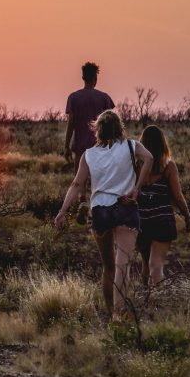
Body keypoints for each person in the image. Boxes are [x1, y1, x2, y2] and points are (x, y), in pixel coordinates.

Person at [55, 110, 153, 321]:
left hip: (100, 211)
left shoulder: (88, 155)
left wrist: (62, 212)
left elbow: (76, 184)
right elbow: (149, 159)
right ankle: (118, 313)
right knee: (122, 265)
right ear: (120, 128)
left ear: (97, 130)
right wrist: (136, 188)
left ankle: (111, 313)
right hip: (126, 207)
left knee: (108, 267)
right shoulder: (130, 146)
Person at [135, 125, 190, 286]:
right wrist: (188, 218)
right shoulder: (168, 166)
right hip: (162, 222)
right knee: (156, 265)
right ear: (163, 143)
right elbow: (178, 196)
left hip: (141, 222)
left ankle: (144, 302)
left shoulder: (137, 167)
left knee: (146, 264)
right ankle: (155, 303)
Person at [64, 63, 115, 220]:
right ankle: (98, 208)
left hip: (80, 144)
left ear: (82, 77)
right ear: (95, 78)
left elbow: (71, 124)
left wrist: (66, 146)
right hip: (101, 146)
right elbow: (112, 124)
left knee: (80, 179)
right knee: (100, 178)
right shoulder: (104, 98)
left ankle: (82, 204)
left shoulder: (73, 97)